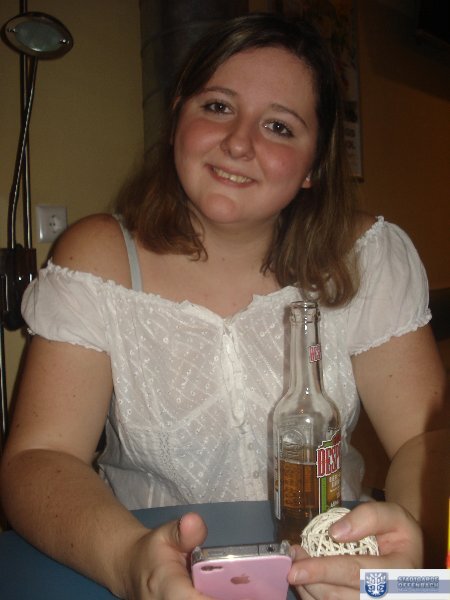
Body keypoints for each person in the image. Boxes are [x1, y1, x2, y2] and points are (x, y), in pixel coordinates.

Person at [0, 12, 447, 600]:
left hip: (333, 574)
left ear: (314, 164)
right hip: (131, 568)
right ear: (177, 119)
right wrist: (131, 561)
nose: (238, 142)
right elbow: (41, 455)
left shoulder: (367, 256)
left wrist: (412, 551)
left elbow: (425, 441)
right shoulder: (94, 259)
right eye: (217, 107)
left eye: (279, 126)